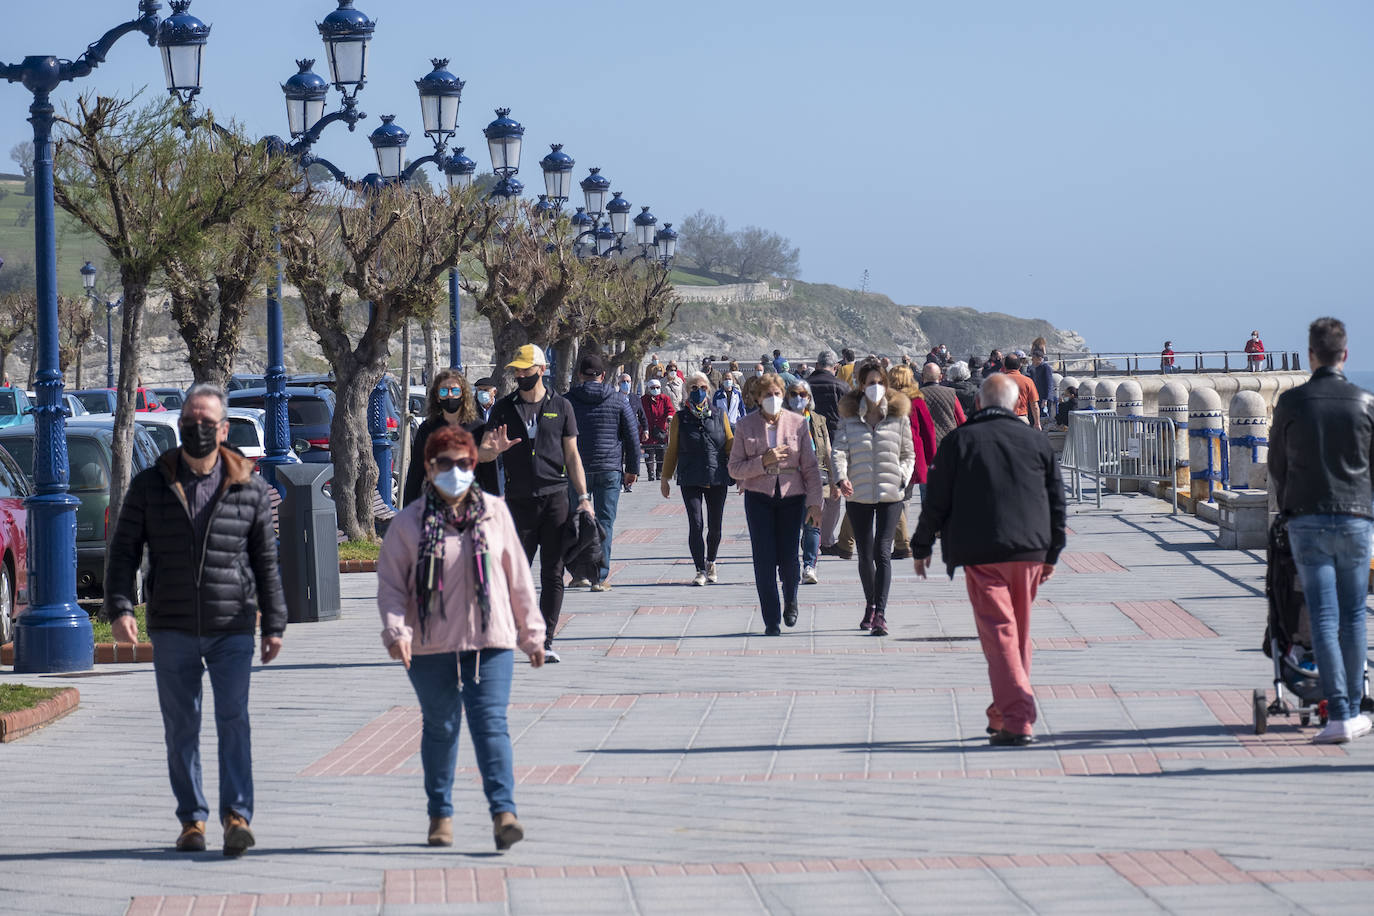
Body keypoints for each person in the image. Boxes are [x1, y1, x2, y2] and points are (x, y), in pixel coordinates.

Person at [104, 382, 287, 855]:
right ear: (180, 423)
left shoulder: (250, 485)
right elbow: (124, 550)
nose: (198, 428)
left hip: (232, 625)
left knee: (234, 720)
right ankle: (192, 821)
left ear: (224, 428)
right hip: (172, 625)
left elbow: (266, 560)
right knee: (180, 726)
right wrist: (122, 606)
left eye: (208, 422)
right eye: (191, 419)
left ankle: (237, 816)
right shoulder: (151, 483)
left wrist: (275, 624)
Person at [377, 425, 546, 851]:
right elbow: (392, 586)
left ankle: (504, 813)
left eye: (465, 463)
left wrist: (533, 634)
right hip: (430, 644)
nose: (457, 471)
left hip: (490, 641)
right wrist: (396, 630)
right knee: (441, 726)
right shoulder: (408, 523)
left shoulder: (494, 512)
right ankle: (440, 814)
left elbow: (519, 578)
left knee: (491, 726)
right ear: (430, 469)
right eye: (447, 464)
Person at [909, 374, 1067, 747]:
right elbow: (1057, 501)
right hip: (1030, 552)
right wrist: (1054, 552)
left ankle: (1017, 718)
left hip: (982, 553)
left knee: (1000, 635)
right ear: (1017, 406)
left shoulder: (959, 441)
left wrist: (921, 545)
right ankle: (1002, 714)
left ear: (978, 403)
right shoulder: (1036, 439)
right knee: (1018, 636)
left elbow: (937, 502)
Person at [1269, 317, 1374, 744]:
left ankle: (1340, 715)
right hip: (1355, 520)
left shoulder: (1292, 403)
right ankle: (1353, 705)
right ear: (1345, 355)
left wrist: (1291, 501)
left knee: (1325, 618)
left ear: (1311, 355)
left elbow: (1276, 466)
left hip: (1307, 520)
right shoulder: (1365, 402)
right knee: (1354, 616)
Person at [478, 345, 594, 663]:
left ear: (541, 370)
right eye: (516, 370)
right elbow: (482, 451)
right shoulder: (503, 408)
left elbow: (572, 455)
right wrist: (494, 450)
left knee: (553, 573)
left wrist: (583, 498)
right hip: (518, 501)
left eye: (525, 370)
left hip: (556, 498)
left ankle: (546, 639)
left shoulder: (561, 406)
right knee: (515, 573)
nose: (519, 375)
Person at [728, 372, 823, 635]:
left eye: (777, 394)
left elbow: (811, 468)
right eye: (767, 394)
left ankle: (790, 598)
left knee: (789, 557)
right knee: (764, 558)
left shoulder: (798, 424)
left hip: (792, 497)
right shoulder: (745, 426)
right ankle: (771, 618)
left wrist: (816, 503)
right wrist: (763, 461)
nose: (773, 398)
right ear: (758, 398)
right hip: (759, 497)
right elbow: (734, 468)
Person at [832, 362, 915, 635]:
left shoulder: (898, 416)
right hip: (859, 494)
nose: (875, 387)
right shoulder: (849, 416)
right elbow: (839, 451)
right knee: (865, 554)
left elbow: (908, 454)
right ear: (861, 385)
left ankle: (881, 612)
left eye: (879, 381)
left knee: (883, 551)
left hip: (891, 493)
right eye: (869, 382)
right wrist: (841, 476)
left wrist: (902, 477)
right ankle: (869, 604)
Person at [565, 353, 642, 591]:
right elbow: (632, 436)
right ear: (604, 375)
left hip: (577, 470)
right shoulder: (618, 400)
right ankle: (600, 576)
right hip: (609, 469)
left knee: (578, 520)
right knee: (605, 522)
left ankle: (579, 574)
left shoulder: (567, 401)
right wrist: (632, 469)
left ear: (579, 375)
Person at [661, 372, 734, 585]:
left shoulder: (720, 414)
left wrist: (743, 473)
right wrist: (665, 477)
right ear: (687, 391)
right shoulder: (680, 418)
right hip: (690, 476)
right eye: (693, 387)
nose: (698, 391)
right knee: (696, 523)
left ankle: (711, 560)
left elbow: (730, 443)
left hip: (717, 476)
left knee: (715, 526)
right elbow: (672, 448)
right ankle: (700, 569)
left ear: (708, 390)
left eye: (702, 387)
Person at [404, 369, 485, 505]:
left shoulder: (479, 428)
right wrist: (408, 510)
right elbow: (416, 472)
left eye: (455, 391)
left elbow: (488, 474)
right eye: (443, 391)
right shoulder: (427, 429)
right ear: (437, 396)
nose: (449, 396)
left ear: (463, 394)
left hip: (472, 505)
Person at [786, 379, 834, 585]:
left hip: (816, 476)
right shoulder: (781, 421)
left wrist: (835, 480)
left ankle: (809, 567)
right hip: (789, 479)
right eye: (795, 394)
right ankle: (792, 564)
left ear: (809, 398)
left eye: (803, 395)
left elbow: (828, 451)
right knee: (794, 525)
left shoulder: (819, 420)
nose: (799, 398)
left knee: (813, 524)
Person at [807, 350, 851, 555]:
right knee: (834, 494)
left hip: (808, 443)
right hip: (835, 444)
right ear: (835, 367)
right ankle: (825, 540)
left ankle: (809, 534)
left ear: (816, 365)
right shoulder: (842, 386)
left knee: (808, 491)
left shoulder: (805, 385)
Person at [918, 362, 966, 446]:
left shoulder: (917, 395)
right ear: (941, 377)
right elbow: (961, 420)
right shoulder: (951, 393)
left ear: (922, 377)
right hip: (949, 441)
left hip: (926, 442)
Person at [641, 375, 675, 481]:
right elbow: (640, 412)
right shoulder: (643, 399)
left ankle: (659, 472)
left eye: (657, 388)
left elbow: (671, 409)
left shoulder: (665, 399)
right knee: (649, 452)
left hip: (661, 429)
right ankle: (650, 472)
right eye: (653, 388)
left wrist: (669, 417)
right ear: (649, 389)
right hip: (648, 428)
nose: (655, 390)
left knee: (661, 452)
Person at [620, 372, 648, 492]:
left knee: (633, 458)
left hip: (633, 433)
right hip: (619, 433)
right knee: (619, 459)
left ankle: (629, 482)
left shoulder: (635, 398)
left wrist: (646, 430)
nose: (626, 384)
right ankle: (620, 482)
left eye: (628, 381)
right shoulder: (615, 397)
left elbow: (642, 416)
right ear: (618, 383)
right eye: (623, 381)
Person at [1000, 355, 1041, 428]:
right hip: (1021, 419)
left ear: (1005, 366)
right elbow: (1034, 405)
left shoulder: (998, 381)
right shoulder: (1027, 381)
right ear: (1019, 366)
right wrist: (1037, 423)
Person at [1029, 350, 1055, 422]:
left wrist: (1045, 399)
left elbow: (1049, 384)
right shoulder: (1035, 368)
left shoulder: (1046, 368)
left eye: (1033, 358)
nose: (1032, 360)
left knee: (1044, 418)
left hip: (1044, 399)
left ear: (1039, 358)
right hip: (1038, 397)